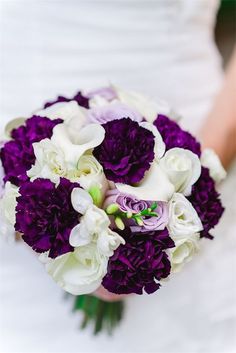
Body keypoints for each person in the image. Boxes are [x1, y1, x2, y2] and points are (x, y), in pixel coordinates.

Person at [0, 1, 235, 352]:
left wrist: (188, 192)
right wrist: (32, 205)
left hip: (194, 144)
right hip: (18, 151)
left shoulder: (189, 178)